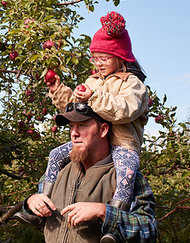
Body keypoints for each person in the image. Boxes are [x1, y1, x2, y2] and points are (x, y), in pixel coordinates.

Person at [43, 12, 149, 220]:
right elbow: (76, 109)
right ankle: (43, 205)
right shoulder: (92, 81)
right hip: (94, 144)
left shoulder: (132, 84)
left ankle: (115, 222)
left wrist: (95, 97)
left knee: (125, 176)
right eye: (95, 57)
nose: (98, 63)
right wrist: (58, 90)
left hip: (122, 144)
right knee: (56, 154)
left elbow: (125, 110)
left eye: (104, 58)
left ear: (120, 57)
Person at [22, 103, 157, 242]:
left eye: (82, 125)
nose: (74, 133)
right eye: (71, 127)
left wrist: (104, 212)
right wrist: (31, 202)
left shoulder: (125, 175)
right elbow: (40, 212)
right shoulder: (58, 170)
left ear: (103, 130)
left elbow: (149, 230)